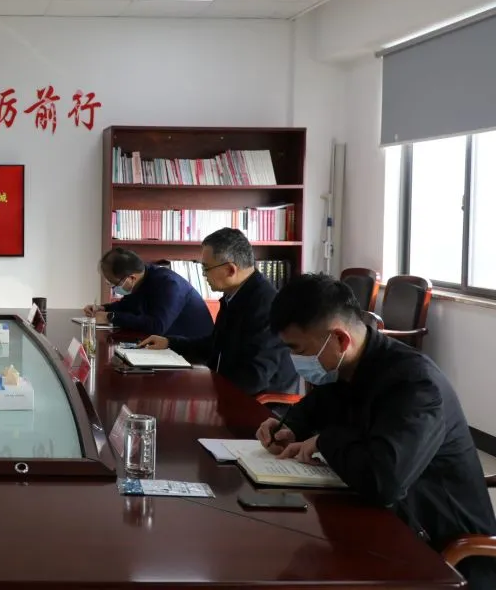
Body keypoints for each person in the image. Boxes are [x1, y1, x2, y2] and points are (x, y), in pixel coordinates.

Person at [258, 273, 496, 586]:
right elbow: (318, 406)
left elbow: (384, 481)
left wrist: (324, 441)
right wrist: (290, 426)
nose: (295, 361)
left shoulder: (415, 384)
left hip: (445, 555)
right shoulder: (349, 366)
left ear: (340, 339)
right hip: (390, 525)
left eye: (299, 350)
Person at [138, 228, 297, 396]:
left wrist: (206, 388)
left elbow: (254, 377)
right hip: (228, 391)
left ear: (230, 270)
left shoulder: (266, 305)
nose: (204, 275)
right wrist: (169, 343)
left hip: (260, 403)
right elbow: (215, 345)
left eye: (206, 268)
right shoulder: (235, 295)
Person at [83, 249, 213, 338]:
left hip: (192, 354)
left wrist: (110, 317)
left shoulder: (169, 285)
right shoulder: (143, 277)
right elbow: (127, 305)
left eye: (114, 283)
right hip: (166, 345)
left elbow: (157, 326)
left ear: (131, 278)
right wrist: (103, 308)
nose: (113, 288)